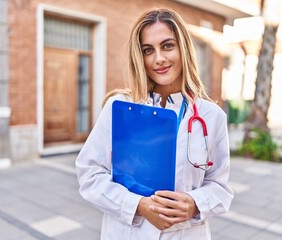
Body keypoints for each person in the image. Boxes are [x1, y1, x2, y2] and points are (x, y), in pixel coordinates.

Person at [75, 8, 233, 240]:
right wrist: (137, 205)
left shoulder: (212, 116)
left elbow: (219, 188)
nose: (158, 58)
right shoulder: (119, 107)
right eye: (148, 50)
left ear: (184, 49)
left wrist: (194, 203)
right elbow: (89, 175)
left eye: (168, 46)